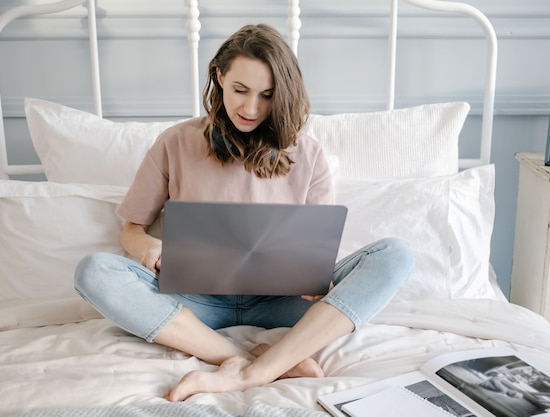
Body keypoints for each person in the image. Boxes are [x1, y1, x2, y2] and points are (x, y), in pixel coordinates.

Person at [74, 23, 414, 402]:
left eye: (266, 96)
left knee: (395, 254)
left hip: (281, 304)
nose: (251, 109)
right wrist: (146, 248)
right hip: (194, 302)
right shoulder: (176, 143)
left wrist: (314, 278)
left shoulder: (309, 154)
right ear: (219, 77)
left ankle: (258, 370)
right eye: (240, 90)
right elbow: (131, 228)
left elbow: (317, 248)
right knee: (93, 270)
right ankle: (247, 361)